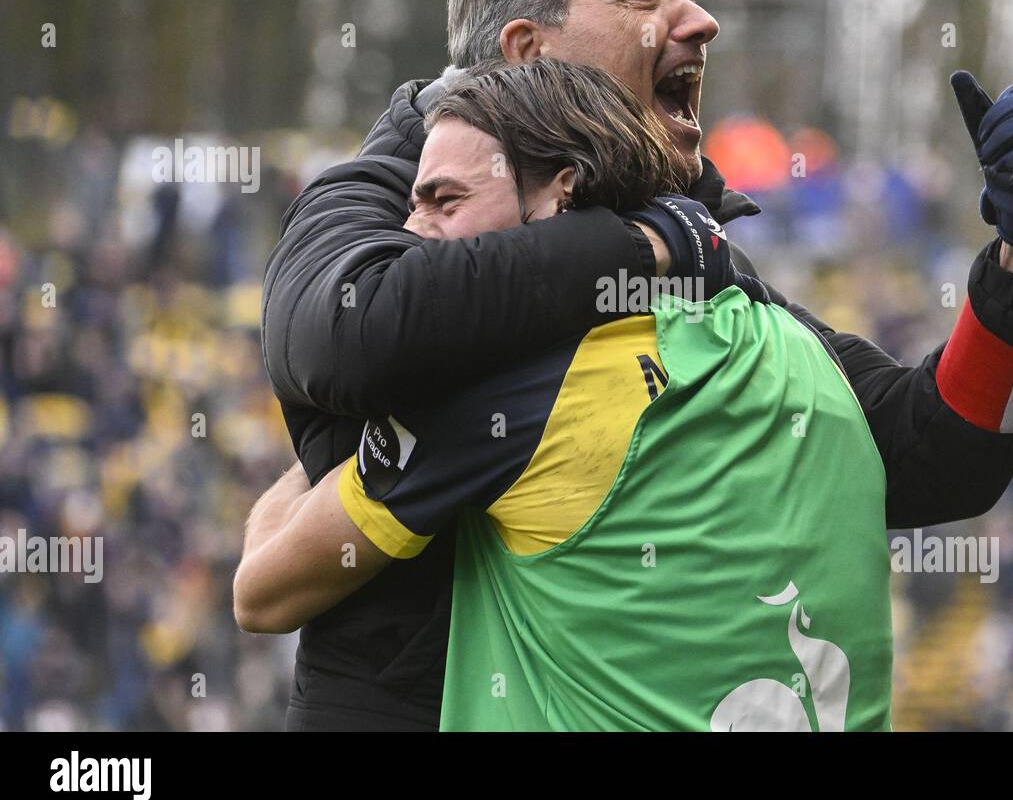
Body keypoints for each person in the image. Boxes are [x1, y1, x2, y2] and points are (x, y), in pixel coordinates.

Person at [255, 0, 1013, 730]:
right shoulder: (394, 187)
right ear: (526, 51)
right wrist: (649, 247)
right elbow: (355, 331)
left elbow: (938, 455)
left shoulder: (700, 256)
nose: (701, 20)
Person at [239, 57, 894, 731]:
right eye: (411, 203)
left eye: (445, 200)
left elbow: (261, 593)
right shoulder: (807, 356)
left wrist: (354, 429)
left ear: (560, 196)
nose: (409, 232)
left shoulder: (506, 397)